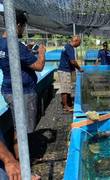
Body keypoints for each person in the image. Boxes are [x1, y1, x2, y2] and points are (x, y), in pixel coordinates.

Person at [0, 11, 46, 160]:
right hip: (22, 92)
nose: (23, 30)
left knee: (19, 127)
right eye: (23, 27)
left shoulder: (2, 42)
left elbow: (12, 60)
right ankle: (24, 167)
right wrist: (41, 53)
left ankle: (22, 163)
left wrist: (26, 49)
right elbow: (38, 66)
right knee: (22, 131)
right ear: (18, 25)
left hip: (8, 89)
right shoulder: (15, 45)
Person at [57, 35, 83, 113]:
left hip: (65, 70)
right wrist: (79, 68)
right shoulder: (70, 48)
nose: (79, 45)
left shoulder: (67, 46)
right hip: (64, 70)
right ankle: (65, 106)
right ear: (76, 41)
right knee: (65, 88)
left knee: (68, 87)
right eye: (79, 43)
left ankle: (69, 103)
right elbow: (73, 61)